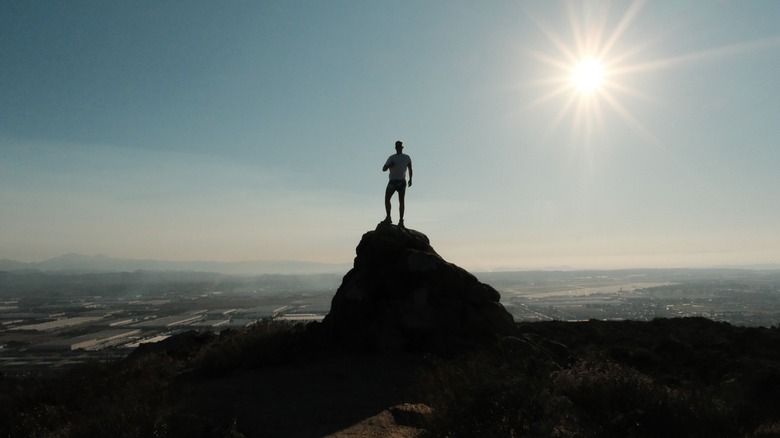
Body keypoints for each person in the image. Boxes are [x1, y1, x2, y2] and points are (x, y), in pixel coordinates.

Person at [382, 140, 413, 227]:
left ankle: (401, 221)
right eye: (397, 147)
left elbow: (410, 169)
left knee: (401, 201)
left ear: (402, 147)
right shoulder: (392, 157)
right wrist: (389, 165)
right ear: (395, 148)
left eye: (400, 147)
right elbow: (383, 169)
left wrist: (411, 179)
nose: (399, 148)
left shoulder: (407, 157)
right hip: (393, 181)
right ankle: (388, 217)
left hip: (402, 181)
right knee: (387, 198)